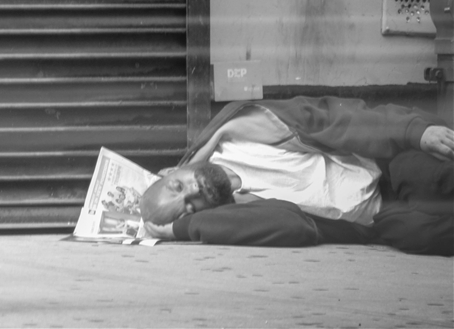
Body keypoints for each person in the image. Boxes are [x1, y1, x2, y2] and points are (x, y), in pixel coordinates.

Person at [139, 96, 454, 256]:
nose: (193, 191)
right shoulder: (235, 214)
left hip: (389, 165)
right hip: (382, 218)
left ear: (170, 170)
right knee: (422, 234)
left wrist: (413, 131)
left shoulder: (244, 130)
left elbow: (335, 117)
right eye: (188, 207)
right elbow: (293, 226)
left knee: (437, 175)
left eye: (177, 185)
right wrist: (182, 229)